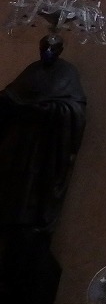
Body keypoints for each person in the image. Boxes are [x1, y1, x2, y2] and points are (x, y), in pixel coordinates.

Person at [0, 33, 88, 238]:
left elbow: (75, 108)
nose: (47, 52)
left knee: (33, 192)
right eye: (44, 48)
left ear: (59, 51)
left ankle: (28, 227)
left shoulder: (67, 73)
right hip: (20, 141)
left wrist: (48, 110)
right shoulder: (33, 70)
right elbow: (12, 93)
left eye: (52, 49)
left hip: (44, 148)